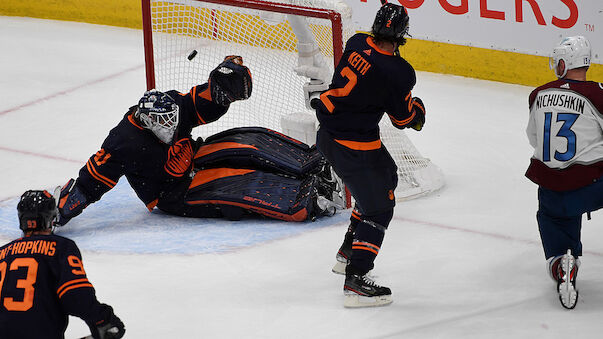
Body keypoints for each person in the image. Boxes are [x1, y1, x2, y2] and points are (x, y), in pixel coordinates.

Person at [56, 55, 340, 226]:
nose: (170, 127)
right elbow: (88, 183)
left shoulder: (172, 107)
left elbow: (199, 102)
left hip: (192, 156)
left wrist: (222, 90)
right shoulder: (123, 143)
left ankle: (314, 161)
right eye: (164, 125)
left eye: (172, 121)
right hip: (173, 192)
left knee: (246, 141)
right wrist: (58, 212)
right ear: (148, 121)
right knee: (240, 182)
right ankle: (310, 199)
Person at [309, 2, 426, 307]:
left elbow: (374, 68)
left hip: (329, 133)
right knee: (380, 209)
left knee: (388, 174)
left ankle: (349, 250)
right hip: (353, 146)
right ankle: (356, 280)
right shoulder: (399, 72)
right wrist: (418, 112)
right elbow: (402, 120)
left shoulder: (356, 42)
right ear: (403, 33)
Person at [525, 36, 603, 309]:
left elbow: (534, 139)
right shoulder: (598, 94)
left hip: (553, 189)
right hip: (594, 186)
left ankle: (561, 262)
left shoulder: (538, 93)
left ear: (563, 62)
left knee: (555, 216)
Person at [0, 190, 125, 338]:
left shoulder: (2, 254)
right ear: (50, 219)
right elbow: (75, 295)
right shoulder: (59, 247)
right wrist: (103, 319)